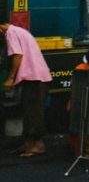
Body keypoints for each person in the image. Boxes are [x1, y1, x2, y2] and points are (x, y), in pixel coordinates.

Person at [1, 16, 53, 157]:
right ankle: (28, 144)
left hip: (34, 77)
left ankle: (37, 146)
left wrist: (10, 78)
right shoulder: (19, 31)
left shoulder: (11, 33)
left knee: (34, 113)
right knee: (29, 111)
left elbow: (17, 55)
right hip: (34, 77)